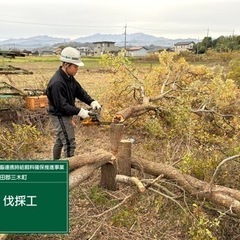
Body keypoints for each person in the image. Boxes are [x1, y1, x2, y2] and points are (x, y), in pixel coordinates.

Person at [46, 46, 101, 159]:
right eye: (75, 66)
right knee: (70, 143)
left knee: (60, 140)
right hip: (60, 115)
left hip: (65, 113)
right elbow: (62, 106)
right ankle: (69, 171)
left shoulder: (69, 77)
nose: (77, 69)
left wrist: (91, 101)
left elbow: (79, 91)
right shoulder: (57, 83)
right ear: (66, 65)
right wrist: (80, 112)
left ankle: (55, 164)